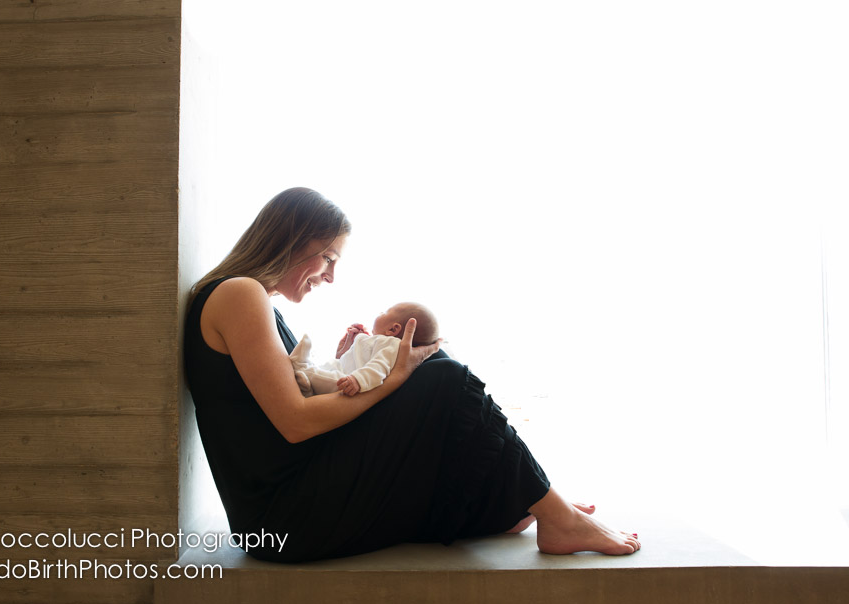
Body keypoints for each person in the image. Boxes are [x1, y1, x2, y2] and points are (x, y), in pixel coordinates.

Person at [184, 187, 640, 563]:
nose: (330, 276)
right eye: (327, 257)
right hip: (281, 519)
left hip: (292, 503)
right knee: (442, 377)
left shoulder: (248, 299)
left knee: (436, 367)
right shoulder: (239, 294)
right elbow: (296, 421)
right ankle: (551, 509)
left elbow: (293, 400)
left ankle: (536, 500)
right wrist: (395, 381)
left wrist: (364, 369)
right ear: (291, 237)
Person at [290, 302, 439, 397]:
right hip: (341, 370)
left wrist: (358, 380)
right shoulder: (379, 341)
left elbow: (379, 367)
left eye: (385, 312)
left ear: (393, 329)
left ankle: (302, 368)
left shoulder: (391, 345)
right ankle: (308, 387)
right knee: (326, 371)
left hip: (347, 381)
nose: (380, 312)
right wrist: (358, 342)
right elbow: (357, 356)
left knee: (327, 379)